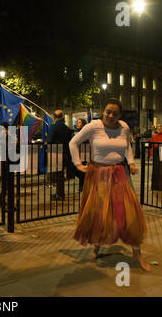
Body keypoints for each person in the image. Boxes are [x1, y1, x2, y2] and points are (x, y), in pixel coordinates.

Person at [69, 98, 151, 272]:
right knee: (100, 214)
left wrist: (132, 162)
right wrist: (77, 164)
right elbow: (73, 142)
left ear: (120, 114)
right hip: (98, 175)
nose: (111, 115)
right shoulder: (93, 126)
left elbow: (128, 145)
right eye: (108, 111)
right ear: (103, 111)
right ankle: (96, 247)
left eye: (115, 113)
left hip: (119, 174)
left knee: (130, 212)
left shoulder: (124, 127)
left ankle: (137, 252)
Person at [47, 110, 73, 200]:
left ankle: (60, 195)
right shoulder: (67, 128)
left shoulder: (54, 127)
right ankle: (60, 193)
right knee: (61, 175)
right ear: (62, 116)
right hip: (65, 153)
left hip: (56, 153)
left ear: (54, 117)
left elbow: (50, 140)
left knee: (58, 176)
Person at [72, 118, 88, 191]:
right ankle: (83, 184)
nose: (77, 124)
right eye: (77, 122)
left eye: (79, 122)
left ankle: (82, 186)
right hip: (78, 153)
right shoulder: (76, 132)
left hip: (83, 153)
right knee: (76, 170)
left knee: (80, 171)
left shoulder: (84, 132)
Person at [150, 124, 162, 191]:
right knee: (156, 170)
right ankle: (155, 186)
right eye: (158, 127)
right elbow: (152, 145)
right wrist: (151, 154)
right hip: (156, 156)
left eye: (160, 127)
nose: (159, 128)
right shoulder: (154, 136)